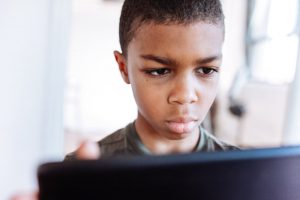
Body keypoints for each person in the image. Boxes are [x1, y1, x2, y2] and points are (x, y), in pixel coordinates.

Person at [11, 0, 238, 199]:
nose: (185, 96)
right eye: (159, 71)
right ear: (124, 67)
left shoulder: (244, 172)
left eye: (207, 70)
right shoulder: (85, 172)